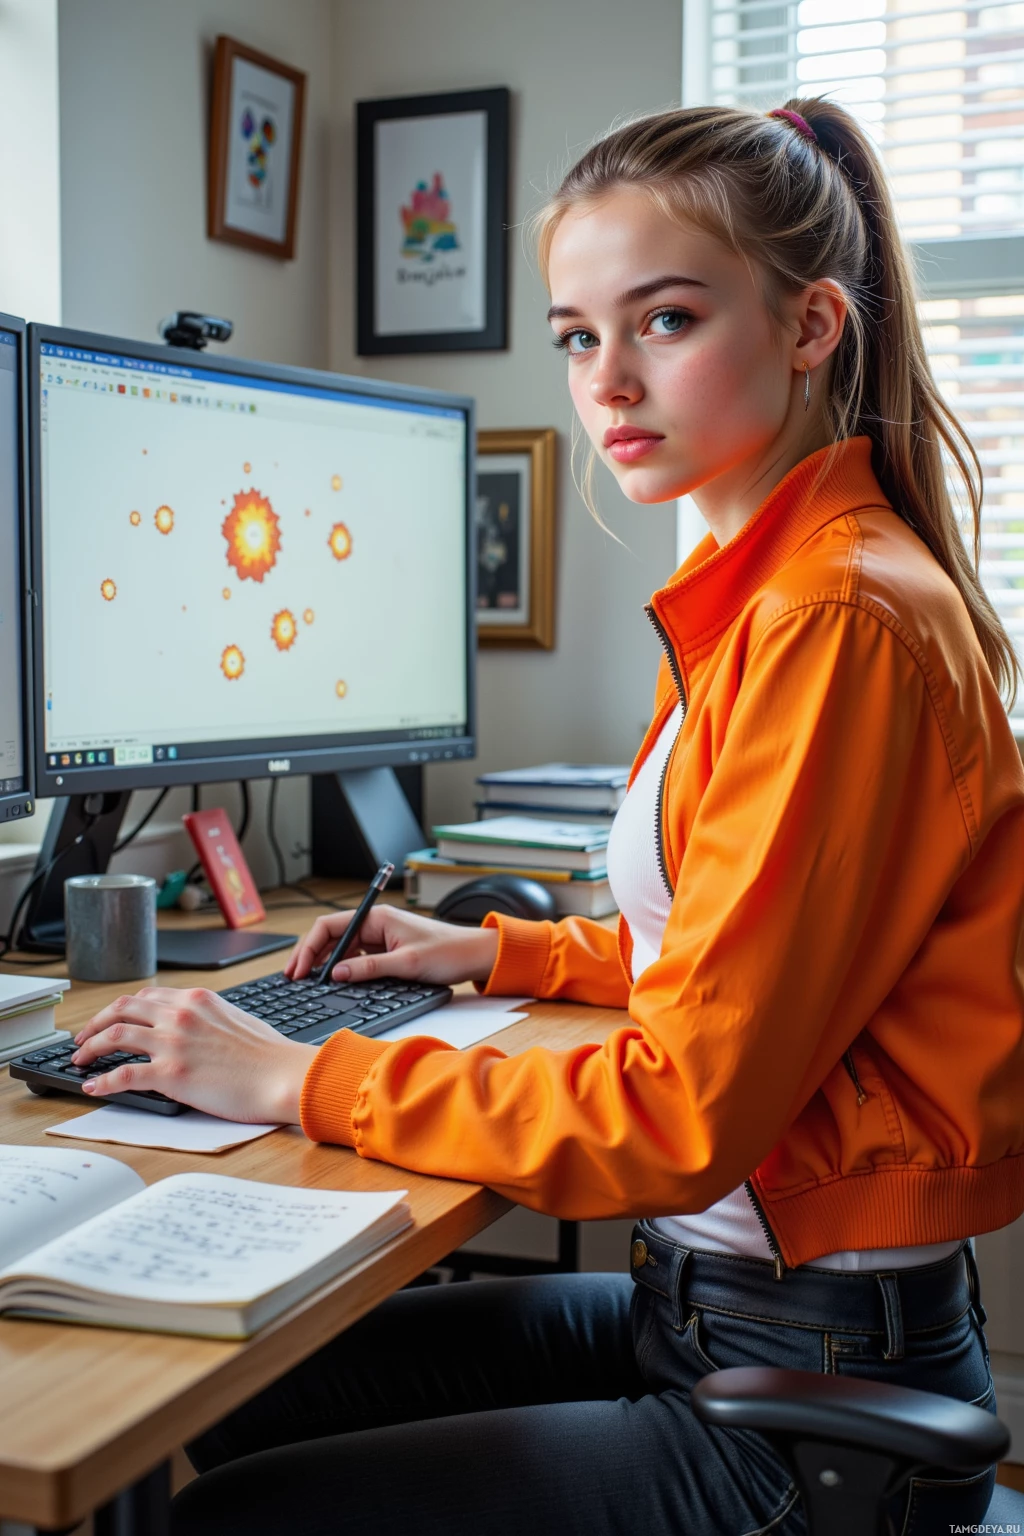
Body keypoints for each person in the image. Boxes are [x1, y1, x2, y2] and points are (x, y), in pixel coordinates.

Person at [73, 98, 1024, 1536]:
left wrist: (294, 1081)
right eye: (580, 335)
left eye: (667, 320)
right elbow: (747, 963)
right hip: (718, 1310)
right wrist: (501, 959)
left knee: (236, 1510)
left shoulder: (832, 619)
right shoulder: (773, 589)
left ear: (814, 325)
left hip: (801, 1367)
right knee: (243, 1374)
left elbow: (683, 1110)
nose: (610, 385)